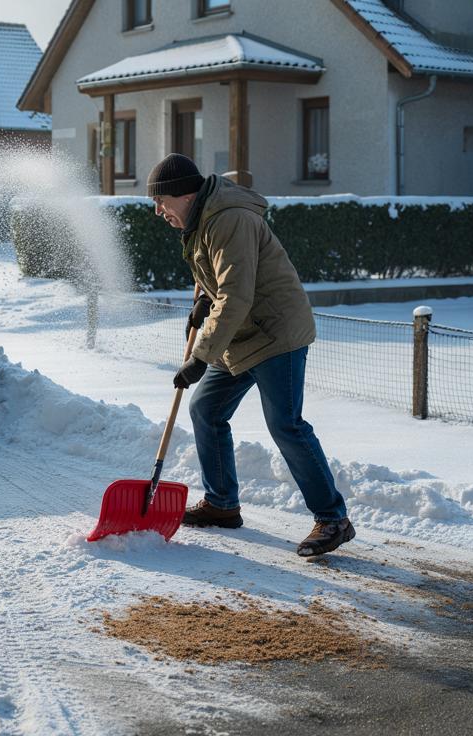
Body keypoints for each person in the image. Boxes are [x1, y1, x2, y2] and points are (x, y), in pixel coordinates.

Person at [147, 153, 354, 557]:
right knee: (205, 409)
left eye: (162, 202)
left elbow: (237, 294)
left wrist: (201, 355)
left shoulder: (229, 219)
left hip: (275, 332)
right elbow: (225, 281)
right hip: (242, 334)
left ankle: (333, 519)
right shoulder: (202, 219)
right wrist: (203, 300)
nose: (159, 212)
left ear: (184, 195)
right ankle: (222, 504)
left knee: (285, 424)